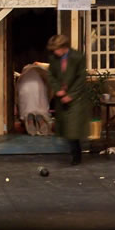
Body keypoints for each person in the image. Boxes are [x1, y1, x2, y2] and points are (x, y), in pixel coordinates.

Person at [46, 34, 89, 165]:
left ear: (63, 47)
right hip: (61, 97)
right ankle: (74, 152)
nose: (55, 52)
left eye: (56, 49)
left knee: (73, 128)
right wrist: (58, 89)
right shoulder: (54, 59)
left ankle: (76, 156)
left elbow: (81, 78)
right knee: (66, 127)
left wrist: (71, 95)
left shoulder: (77, 57)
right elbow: (51, 75)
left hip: (76, 98)